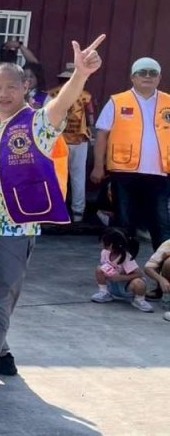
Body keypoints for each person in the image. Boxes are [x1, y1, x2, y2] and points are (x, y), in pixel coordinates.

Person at [0, 35, 106, 412]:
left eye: (10, 86)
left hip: (11, 231)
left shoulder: (36, 122)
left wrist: (80, 75)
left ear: (25, 86)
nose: (3, 93)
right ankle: (0, 354)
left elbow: (61, 105)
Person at [91, 57, 170, 254]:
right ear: (133, 77)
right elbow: (102, 135)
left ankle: (164, 270)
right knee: (124, 223)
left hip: (159, 174)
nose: (147, 76)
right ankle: (122, 267)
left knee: (161, 224)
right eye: (142, 72)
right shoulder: (117, 101)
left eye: (153, 73)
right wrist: (98, 166)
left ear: (159, 78)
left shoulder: (168, 102)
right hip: (124, 173)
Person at [47, 63, 94, 223]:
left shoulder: (52, 94)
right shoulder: (86, 96)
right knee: (78, 176)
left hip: (57, 140)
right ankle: (78, 213)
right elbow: (91, 119)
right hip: (79, 140)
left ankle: (55, 211)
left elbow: (45, 117)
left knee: (56, 175)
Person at [90, 229, 152, 311]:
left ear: (111, 245)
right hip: (113, 285)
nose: (101, 244)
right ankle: (104, 292)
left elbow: (139, 274)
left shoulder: (126, 257)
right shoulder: (105, 252)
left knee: (139, 282)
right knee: (99, 268)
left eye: (103, 242)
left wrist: (121, 277)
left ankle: (139, 300)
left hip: (126, 287)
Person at [143, 239, 170, 319]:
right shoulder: (168, 243)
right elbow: (148, 267)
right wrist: (161, 280)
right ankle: (166, 296)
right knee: (169, 262)